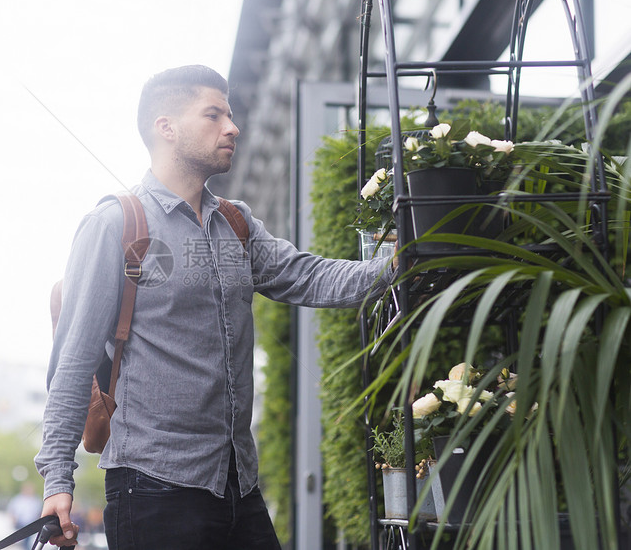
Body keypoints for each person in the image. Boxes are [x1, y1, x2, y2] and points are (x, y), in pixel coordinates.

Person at [35, 64, 397, 549]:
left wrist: (402, 260)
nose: (233, 127)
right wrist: (57, 480)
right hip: (152, 488)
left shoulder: (236, 223)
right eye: (214, 115)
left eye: (231, 114)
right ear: (166, 127)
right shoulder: (115, 225)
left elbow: (308, 276)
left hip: (237, 485)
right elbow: (73, 362)